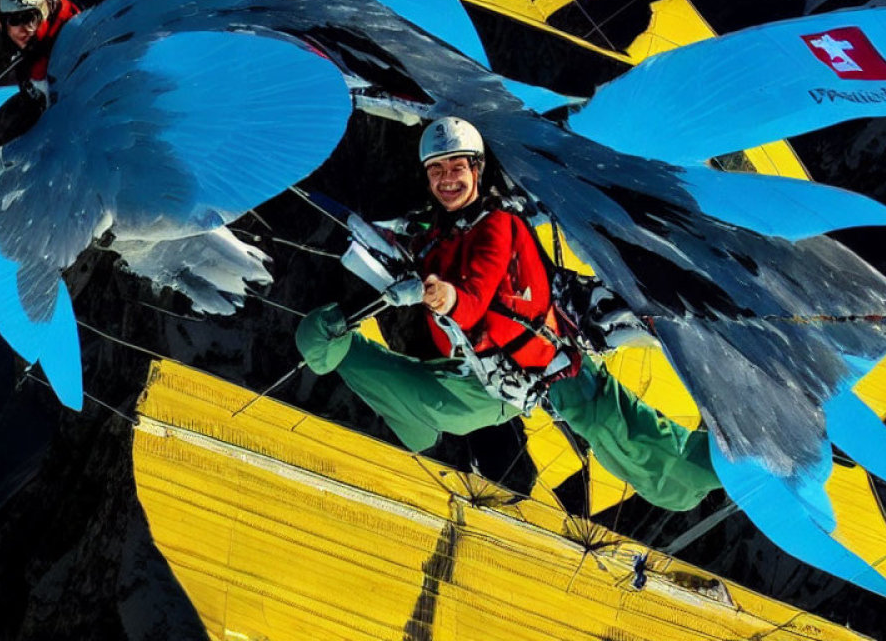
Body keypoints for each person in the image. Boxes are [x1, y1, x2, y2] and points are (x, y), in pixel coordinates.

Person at [296, 117, 720, 511]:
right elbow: (410, 248)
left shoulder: (499, 223)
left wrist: (437, 294)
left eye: (456, 167)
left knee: (643, 452)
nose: (447, 179)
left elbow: (475, 297)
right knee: (421, 399)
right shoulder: (434, 234)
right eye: (437, 170)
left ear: (476, 170)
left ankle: (730, 464)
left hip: (550, 369)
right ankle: (347, 360)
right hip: (487, 381)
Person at [0, 0, 81, 104]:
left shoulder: (69, 40)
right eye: (14, 20)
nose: (23, 29)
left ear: (44, 14)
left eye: (28, 18)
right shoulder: (31, 42)